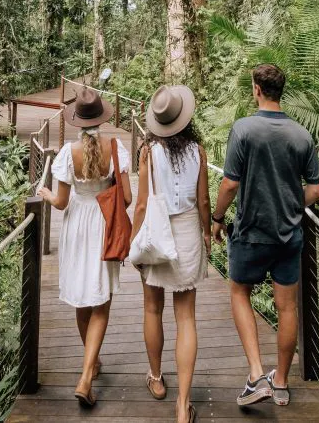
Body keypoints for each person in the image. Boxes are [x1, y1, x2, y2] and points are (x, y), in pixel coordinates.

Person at [211, 64, 319, 407]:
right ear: (280, 91)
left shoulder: (244, 129)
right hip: (289, 236)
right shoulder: (302, 134)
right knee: (287, 308)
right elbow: (316, 190)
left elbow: (230, 183)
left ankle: (256, 374)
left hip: (250, 232)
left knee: (239, 291)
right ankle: (281, 382)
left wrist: (216, 218)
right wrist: (291, 205)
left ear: (257, 90)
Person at [37, 88, 133, 407]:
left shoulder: (67, 153)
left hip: (78, 224)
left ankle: (90, 367)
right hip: (104, 223)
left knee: (82, 299)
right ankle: (86, 374)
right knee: (101, 302)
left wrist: (45, 193)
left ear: (77, 121)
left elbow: (62, 203)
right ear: (102, 118)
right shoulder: (116, 148)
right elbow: (129, 199)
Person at [132, 85, 210, 423]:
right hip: (188, 232)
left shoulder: (148, 152)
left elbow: (142, 203)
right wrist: (207, 233)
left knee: (152, 307)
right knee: (186, 318)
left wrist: (134, 245)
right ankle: (183, 404)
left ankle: (156, 377)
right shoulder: (199, 151)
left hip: (157, 233)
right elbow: (204, 202)